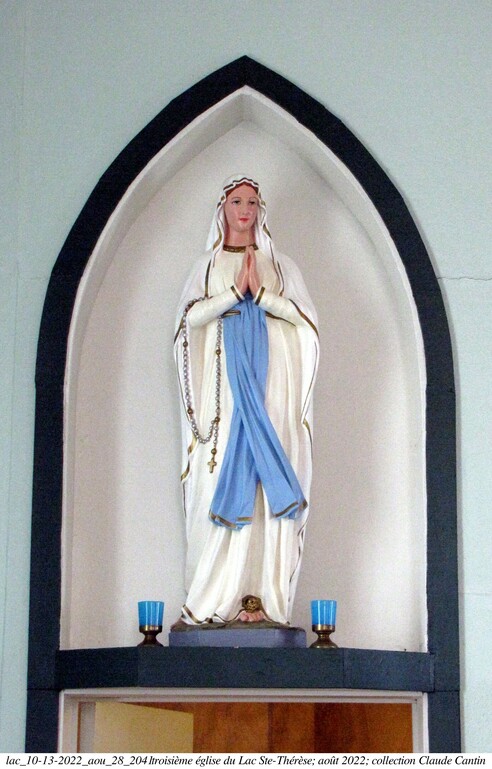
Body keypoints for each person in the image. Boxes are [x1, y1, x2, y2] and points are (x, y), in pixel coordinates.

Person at [174, 174, 319, 627]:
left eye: (252, 202)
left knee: (264, 485)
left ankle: (264, 599)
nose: (245, 210)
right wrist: (235, 295)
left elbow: (305, 321)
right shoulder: (207, 264)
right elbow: (189, 320)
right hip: (224, 395)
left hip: (270, 389)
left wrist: (265, 298)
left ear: (261, 210)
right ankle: (214, 598)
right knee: (215, 480)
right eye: (237, 201)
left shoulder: (281, 265)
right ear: (223, 207)